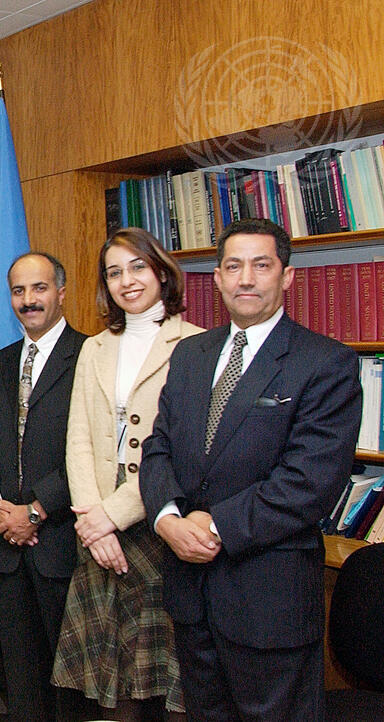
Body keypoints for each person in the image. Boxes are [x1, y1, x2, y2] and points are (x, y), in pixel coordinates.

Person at [141, 218, 361, 720]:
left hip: (269, 604)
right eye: (234, 266)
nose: (246, 279)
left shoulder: (325, 363)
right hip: (191, 594)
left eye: (261, 265)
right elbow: (158, 447)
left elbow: (309, 483)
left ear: (287, 276)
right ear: (217, 277)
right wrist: (167, 519)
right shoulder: (191, 354)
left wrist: (214, 525)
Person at [51, 228, 199, 720]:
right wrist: (93, 521)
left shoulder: (196, 344)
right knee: (109, 674)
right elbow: (78, 439)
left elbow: (183, 452)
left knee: (164, 670)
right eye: (114, 272)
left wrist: (111, 516)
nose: (127, 280)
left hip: (157, 515)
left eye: (138, 267)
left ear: (162, 272)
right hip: (95, 519)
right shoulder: (95, 347)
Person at [0, 252, 87, 722]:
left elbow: (90, 452)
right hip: (6, 545)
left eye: (39, 288)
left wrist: (37, 511)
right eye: (18, 291)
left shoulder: (89, 356)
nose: (28, 300)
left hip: (60, 542)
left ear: (61, 292)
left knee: (69, 686)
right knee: (20, 680)